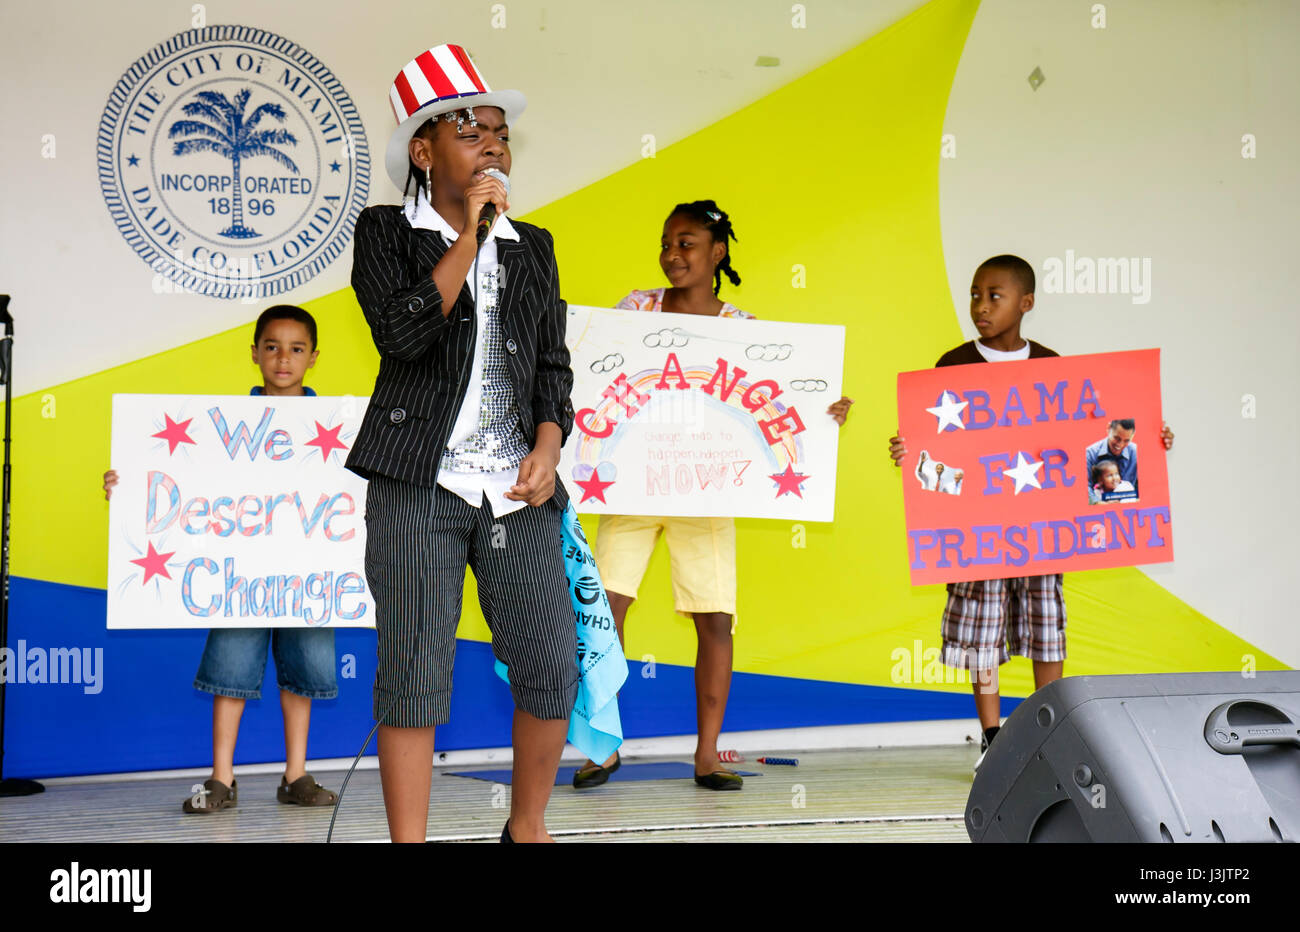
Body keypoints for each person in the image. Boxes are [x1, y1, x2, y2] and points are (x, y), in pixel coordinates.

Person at [345, 44, 578, 843]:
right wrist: (473, 237)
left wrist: (548, 444)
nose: (494, 146)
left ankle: (527, 827)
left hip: (516, 490)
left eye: (501, 134)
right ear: (423, 149)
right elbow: (404, 334)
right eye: (472, 129)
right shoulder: (383, 231)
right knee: (413, 677)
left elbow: (552, 364)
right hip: (417, 484)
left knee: (552, 668)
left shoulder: (536, 246)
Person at [575, 200, 853, 791]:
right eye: (667, 243)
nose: (673, 254)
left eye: (687, 243)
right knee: (604, 615)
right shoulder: (635, 308)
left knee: (716, 621)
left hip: (705, 490)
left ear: (717, 252)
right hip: (633, 484)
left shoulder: (745, 330)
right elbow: (597, 375)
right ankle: (602, 746)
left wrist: (825, 411)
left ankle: (706, 754)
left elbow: (776, 402)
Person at [888, 254, 1173, 771]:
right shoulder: (952, 366)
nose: (980, 306)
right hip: (976, 528)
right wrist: (911, 457)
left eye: (994, 296)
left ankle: (1052, 727)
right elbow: (934, 459)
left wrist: (1148, 440)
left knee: (1046, 619)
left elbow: (1090, 443)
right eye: (975, 294)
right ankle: (992, 736)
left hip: (1041, 527)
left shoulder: (1051, 365)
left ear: (1026, 304)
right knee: (981, 625)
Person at [103, 304, 340, 812]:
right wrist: (128, 491)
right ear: (254, 353)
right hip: (240, 575)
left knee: (302, 673)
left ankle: (295, 775)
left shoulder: (336, 428)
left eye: (296, 349)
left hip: (309, 574)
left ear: (314, 358)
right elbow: (180, 484)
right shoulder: (221, 428)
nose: (283, 358)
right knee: (230, 669)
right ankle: (221, 779)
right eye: (272, 347)